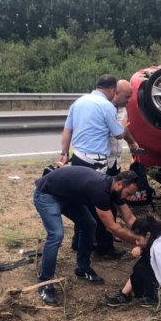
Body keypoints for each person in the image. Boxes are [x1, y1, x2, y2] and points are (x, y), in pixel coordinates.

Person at [33, 166, 143, 305]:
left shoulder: (115, 189)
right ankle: (45, 283)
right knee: (56, 235)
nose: (126, 198)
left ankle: (82, 268)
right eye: (127, 194)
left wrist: (144, 235)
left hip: (68, 198)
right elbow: (112, 227)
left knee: (89, 225)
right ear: (119, 184)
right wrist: (138, 241)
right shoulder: (100, 190)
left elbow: (129, 218)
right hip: (46, 195)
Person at [61, 75, 138, 259]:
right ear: (112, 90)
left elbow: (67, 130)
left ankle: (78, 241)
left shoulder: (79, 102)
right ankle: (103, 247)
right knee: (101, 202)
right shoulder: (106, 106)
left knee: (81, 201)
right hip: (96, 162)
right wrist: (123, 126)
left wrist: (64, 154)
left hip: (78, 159)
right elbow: (119, 134)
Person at [104, 215, 161, 307]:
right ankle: (124, 294)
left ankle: (154, 298)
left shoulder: (160, 250)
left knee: (141, 267)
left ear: (148, 235)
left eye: (138, 240)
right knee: (143, 262)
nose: (137, 243)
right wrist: (140, 247)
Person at [107, 79, 133, 176]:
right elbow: (119, 132)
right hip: (103, 162)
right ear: (116, 93)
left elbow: (125, 129)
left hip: (116, 161)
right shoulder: (105, 109)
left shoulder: (123, 109)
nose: (129, 100)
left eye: (130, 97)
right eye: (127, 96)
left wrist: (132, 142)